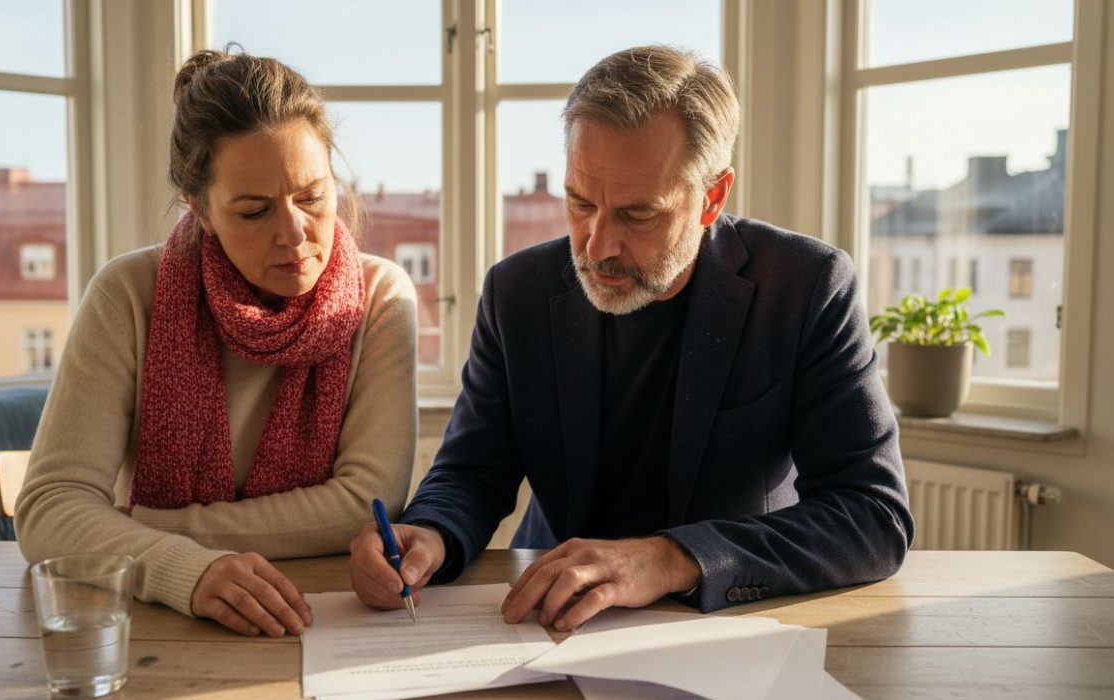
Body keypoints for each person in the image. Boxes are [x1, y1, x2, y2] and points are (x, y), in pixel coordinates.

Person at [349, 45, 914, 630]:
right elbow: (471, 471)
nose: (596, 247)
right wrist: (433, 532)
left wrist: (672, 558)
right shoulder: (515, 292)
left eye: (638, 215)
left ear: (712, 197)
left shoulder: (804, 286)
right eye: (579, 202)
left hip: (729, 623)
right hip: (548, 615)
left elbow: (872, 515)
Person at [17, 48, 418, 638]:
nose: (295, 234)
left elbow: (364, 502)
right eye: (255, 211)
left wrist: (146, 527)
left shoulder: (382, 296)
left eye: (312, 197)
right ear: (200, 209)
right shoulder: (129, 294)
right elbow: (50, 507)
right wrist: (184, 569)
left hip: (329, 618)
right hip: (156, 622)